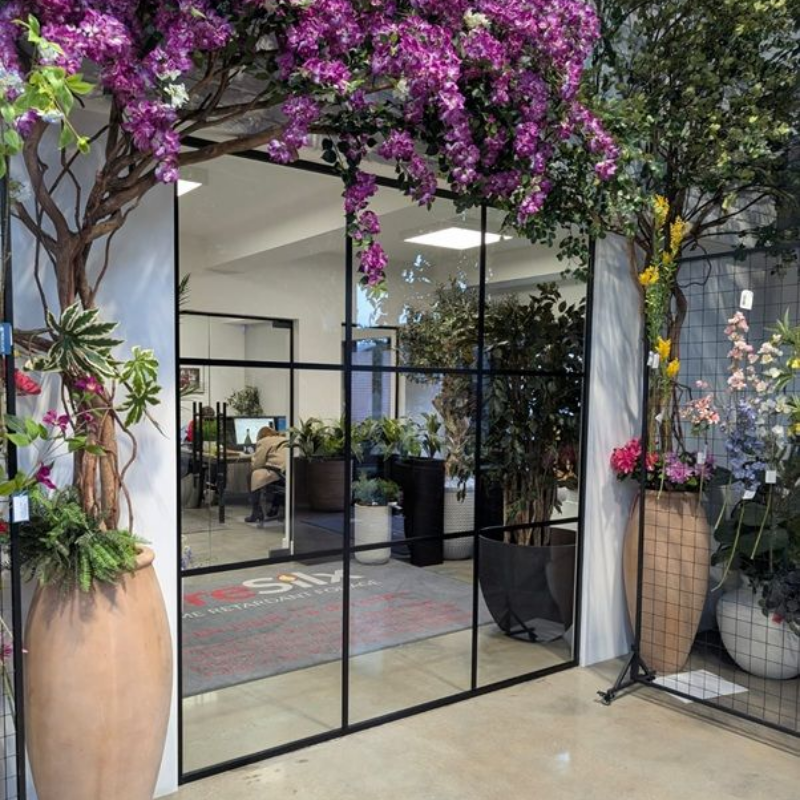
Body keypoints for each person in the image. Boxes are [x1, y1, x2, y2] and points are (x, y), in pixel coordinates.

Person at [244, 426, 287, 523]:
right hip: (288, 470)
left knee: (251, 476)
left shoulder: (264, 441)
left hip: (277, 469)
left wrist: (253, 457)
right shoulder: (284, 438)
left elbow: (257, 464)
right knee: (279, 482)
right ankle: (274, 508)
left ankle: (256, 512)